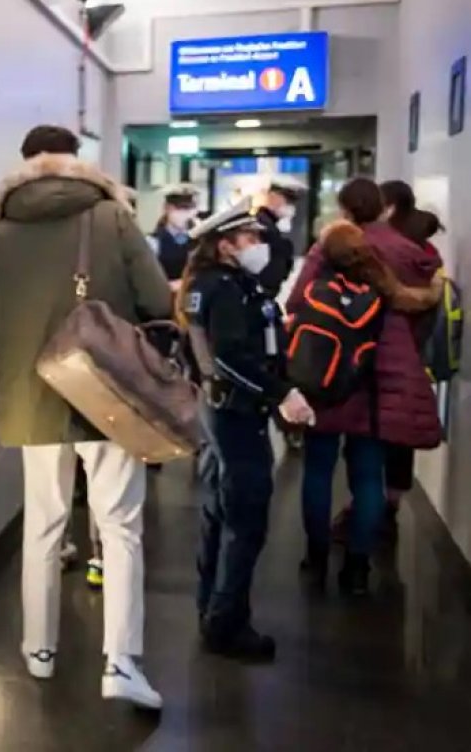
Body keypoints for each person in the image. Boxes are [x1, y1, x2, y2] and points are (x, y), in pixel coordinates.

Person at [0, 124, 171, 709]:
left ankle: (39, 649)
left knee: (43, 524)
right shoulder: (112, 217)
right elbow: (157, 300)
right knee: (120, 527)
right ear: (77, 162)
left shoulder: (1, 229)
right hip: (105, 392)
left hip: (33, 397)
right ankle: (120, 663)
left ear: (27, 164)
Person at [287, 179, 443, 595]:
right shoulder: (411, 254)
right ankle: (357, 569)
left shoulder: (332, 245)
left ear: (345, 209)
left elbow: (298, 303)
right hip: (379, 382)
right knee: (369, 476)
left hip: (328, 375)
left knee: (318, 470)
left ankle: (316, 559)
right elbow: (424, 316)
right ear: (382, 209)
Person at [180, 200, 315, 663]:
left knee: (221, 512)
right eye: (250, 238)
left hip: (224, 410)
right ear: (226, 246)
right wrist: (281, 393)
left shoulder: (223, 284)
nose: (258, 245)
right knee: (245, 519)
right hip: (234, 412)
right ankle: (227, 624)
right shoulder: (222, 289)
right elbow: (229, 356)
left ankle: (213, 607)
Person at [328, 181, 447, 544]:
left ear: (390, 207)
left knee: (363, 451)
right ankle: (387, 512)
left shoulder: (362, 248)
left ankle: (355, 533)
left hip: (363, 360)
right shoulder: (424, 254)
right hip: (410, 360)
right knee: (399, 437)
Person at [253, 176, 306, 296]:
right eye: (287, 200)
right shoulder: (261, 226)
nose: (291, 206)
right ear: (272, 196)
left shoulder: (271, 226)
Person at [151, 183, 201, 289]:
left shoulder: (200, 238)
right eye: (179, 208)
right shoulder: (153, 242)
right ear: (167, 208)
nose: (184, 213)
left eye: (188, 208)